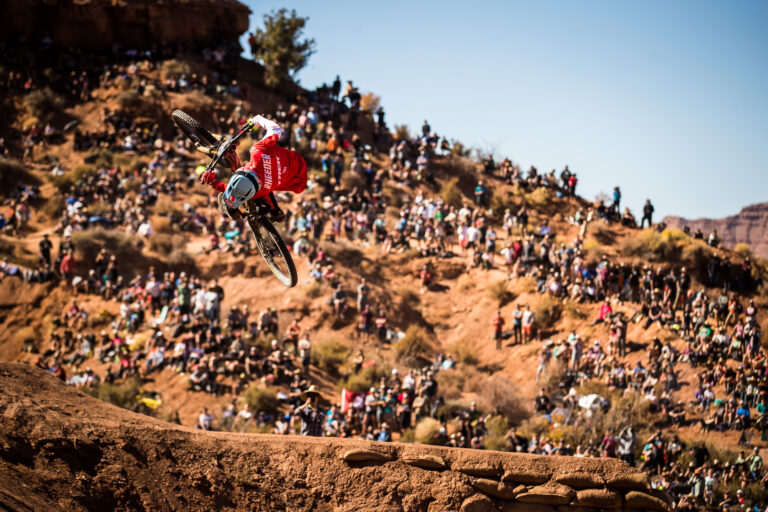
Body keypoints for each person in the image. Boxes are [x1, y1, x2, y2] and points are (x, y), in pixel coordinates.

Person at [200, 115, 307, 222]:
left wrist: (213, 182)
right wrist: (258, 120)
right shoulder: (258, 151)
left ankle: (276, 212)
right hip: (297, 163)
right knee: (258, 195)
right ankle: (275, 212)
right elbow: (276, 128)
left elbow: (234, 190)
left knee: (261, 196)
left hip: (297, 180)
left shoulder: (260, 190)